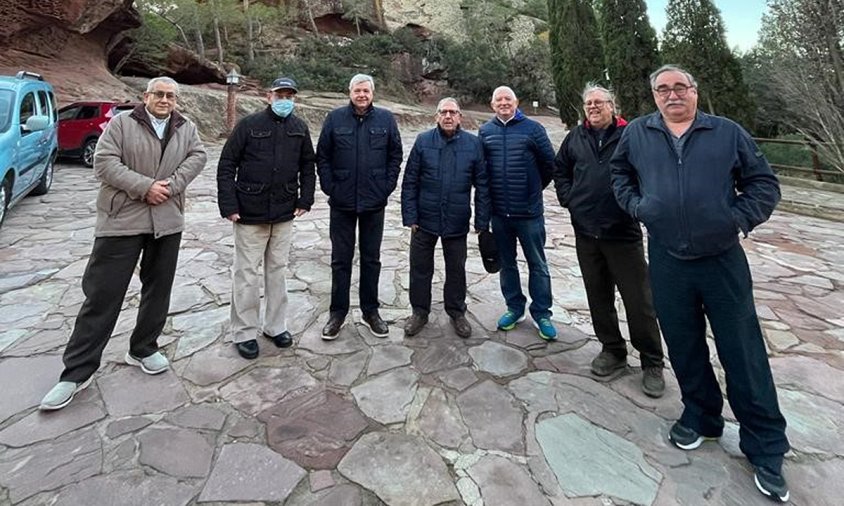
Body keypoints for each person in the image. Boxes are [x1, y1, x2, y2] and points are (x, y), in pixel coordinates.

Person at [611, 65, 790, 502]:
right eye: (663, 89)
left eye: (680, 87)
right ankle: (702, 417)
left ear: (695, 91)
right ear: (653, 96)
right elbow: (620, 174)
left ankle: (765, 447)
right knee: (684, 344)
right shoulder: (637, 133)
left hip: (722, 260)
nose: (672, 95)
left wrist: (737, 219)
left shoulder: (726, 132)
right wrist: (639, 206)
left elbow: (763, 184)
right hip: (668, 258)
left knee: (742, 353)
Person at [40, 76, 206, 410]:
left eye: (170, 95)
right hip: (123, 219)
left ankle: (143, 348)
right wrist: (145, 186)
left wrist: (171, 186)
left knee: (158, 289)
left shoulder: (186, 126)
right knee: (103, 293)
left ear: (176, 100)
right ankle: (76, 371)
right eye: (158, 94)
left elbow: (197, 156)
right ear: (146, 96)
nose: (164, 99)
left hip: (167, 219)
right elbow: (104, 163)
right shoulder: (121, 123)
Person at [553, 83, 666, 397]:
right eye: (588, 103)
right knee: (598, 297)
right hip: (586, 232)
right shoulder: (576, 137)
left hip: (622, 233)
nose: (593, 107)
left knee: (639, 301)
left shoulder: (632, 136)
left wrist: (636, 206)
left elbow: (651, 174)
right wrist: (569, 198)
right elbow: (560, 169)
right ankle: (612, 350)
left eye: (599, 102)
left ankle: (652, 361)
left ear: (612, 106)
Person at [217, 76, 315, 359]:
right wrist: (229, 204)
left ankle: (275, 326)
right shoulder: (248, 126)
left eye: (290, 95)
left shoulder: (299, 127)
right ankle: (244, 332)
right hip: (249, 211)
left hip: (284, 212)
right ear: (268, 96)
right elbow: (226, 165)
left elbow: (308, 165)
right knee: (246, 275)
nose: (285, 99)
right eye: (280, 94)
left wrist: (305, 199)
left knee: (277, 272)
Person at [316, 74, 402, 340]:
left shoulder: (386, 120)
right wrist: (331, 186)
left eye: (366, 90)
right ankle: (337, 313)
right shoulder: (335, 119)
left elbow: (395, 155)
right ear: (350, 92)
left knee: (371, 259)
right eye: (357, 90)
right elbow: (323, 155)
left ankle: (370, 311)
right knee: (340, 260)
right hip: (341, 201)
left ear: (372, 93)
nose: (362, 95)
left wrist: (385, 186)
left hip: (373, 202)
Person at [401, 97, 490, 338]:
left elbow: (483, 185)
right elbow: (410, 181)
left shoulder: (473, 144)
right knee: (420, 268)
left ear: (460, 117)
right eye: (443, 112)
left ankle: (456, 311)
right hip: (424, 220)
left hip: (457, 219)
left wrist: (482, 221)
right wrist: (410, 216)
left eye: (453, 112)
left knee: (456, 269)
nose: (448, 116)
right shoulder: (422, 141)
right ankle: (419, 312)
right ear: (436, 116)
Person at [478, 86, 557, 341]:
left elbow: (549, 165)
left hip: (529, 213)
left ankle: (542, 312)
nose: (503, 103)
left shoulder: (533, 129)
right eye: (498, 99)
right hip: (499, 214)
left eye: (508, 99)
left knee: (538, 263)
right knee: (507, 264)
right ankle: (514, 308)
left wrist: (532, 188)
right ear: (492, 105)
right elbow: (482, 172)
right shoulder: (485, 131)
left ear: (516, 102)